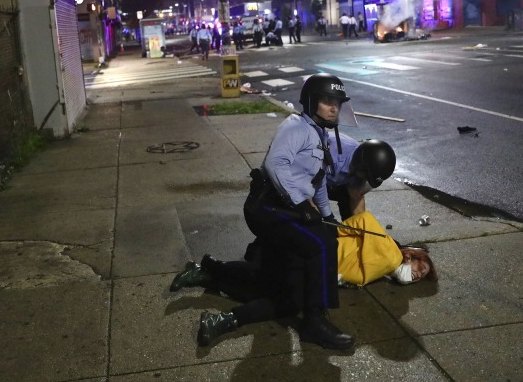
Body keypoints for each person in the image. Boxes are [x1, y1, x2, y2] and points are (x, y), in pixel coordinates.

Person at [170, 211, 438, 346]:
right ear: (411, 255)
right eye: (419, 268)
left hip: (315, 265)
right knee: (276, 291)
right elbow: (361, 220)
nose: (415, 276)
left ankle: (207, 277)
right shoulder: (389, 251)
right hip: (310, 258)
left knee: (269, 290)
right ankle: (211, 280)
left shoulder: (384, 267)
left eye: (418, 278)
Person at [235, 73, 356, 350]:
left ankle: (211, 270)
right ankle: (314, 322)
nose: (334, 107)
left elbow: (319, 181)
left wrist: (327, 216)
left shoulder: (319, 133)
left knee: (280, 271)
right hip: (268, 206)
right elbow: (275, 166)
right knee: (320, 244)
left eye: (337, 102)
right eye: (327, 101)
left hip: (287, 208)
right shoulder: (296, 127)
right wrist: (302, 206)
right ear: (311, 101)